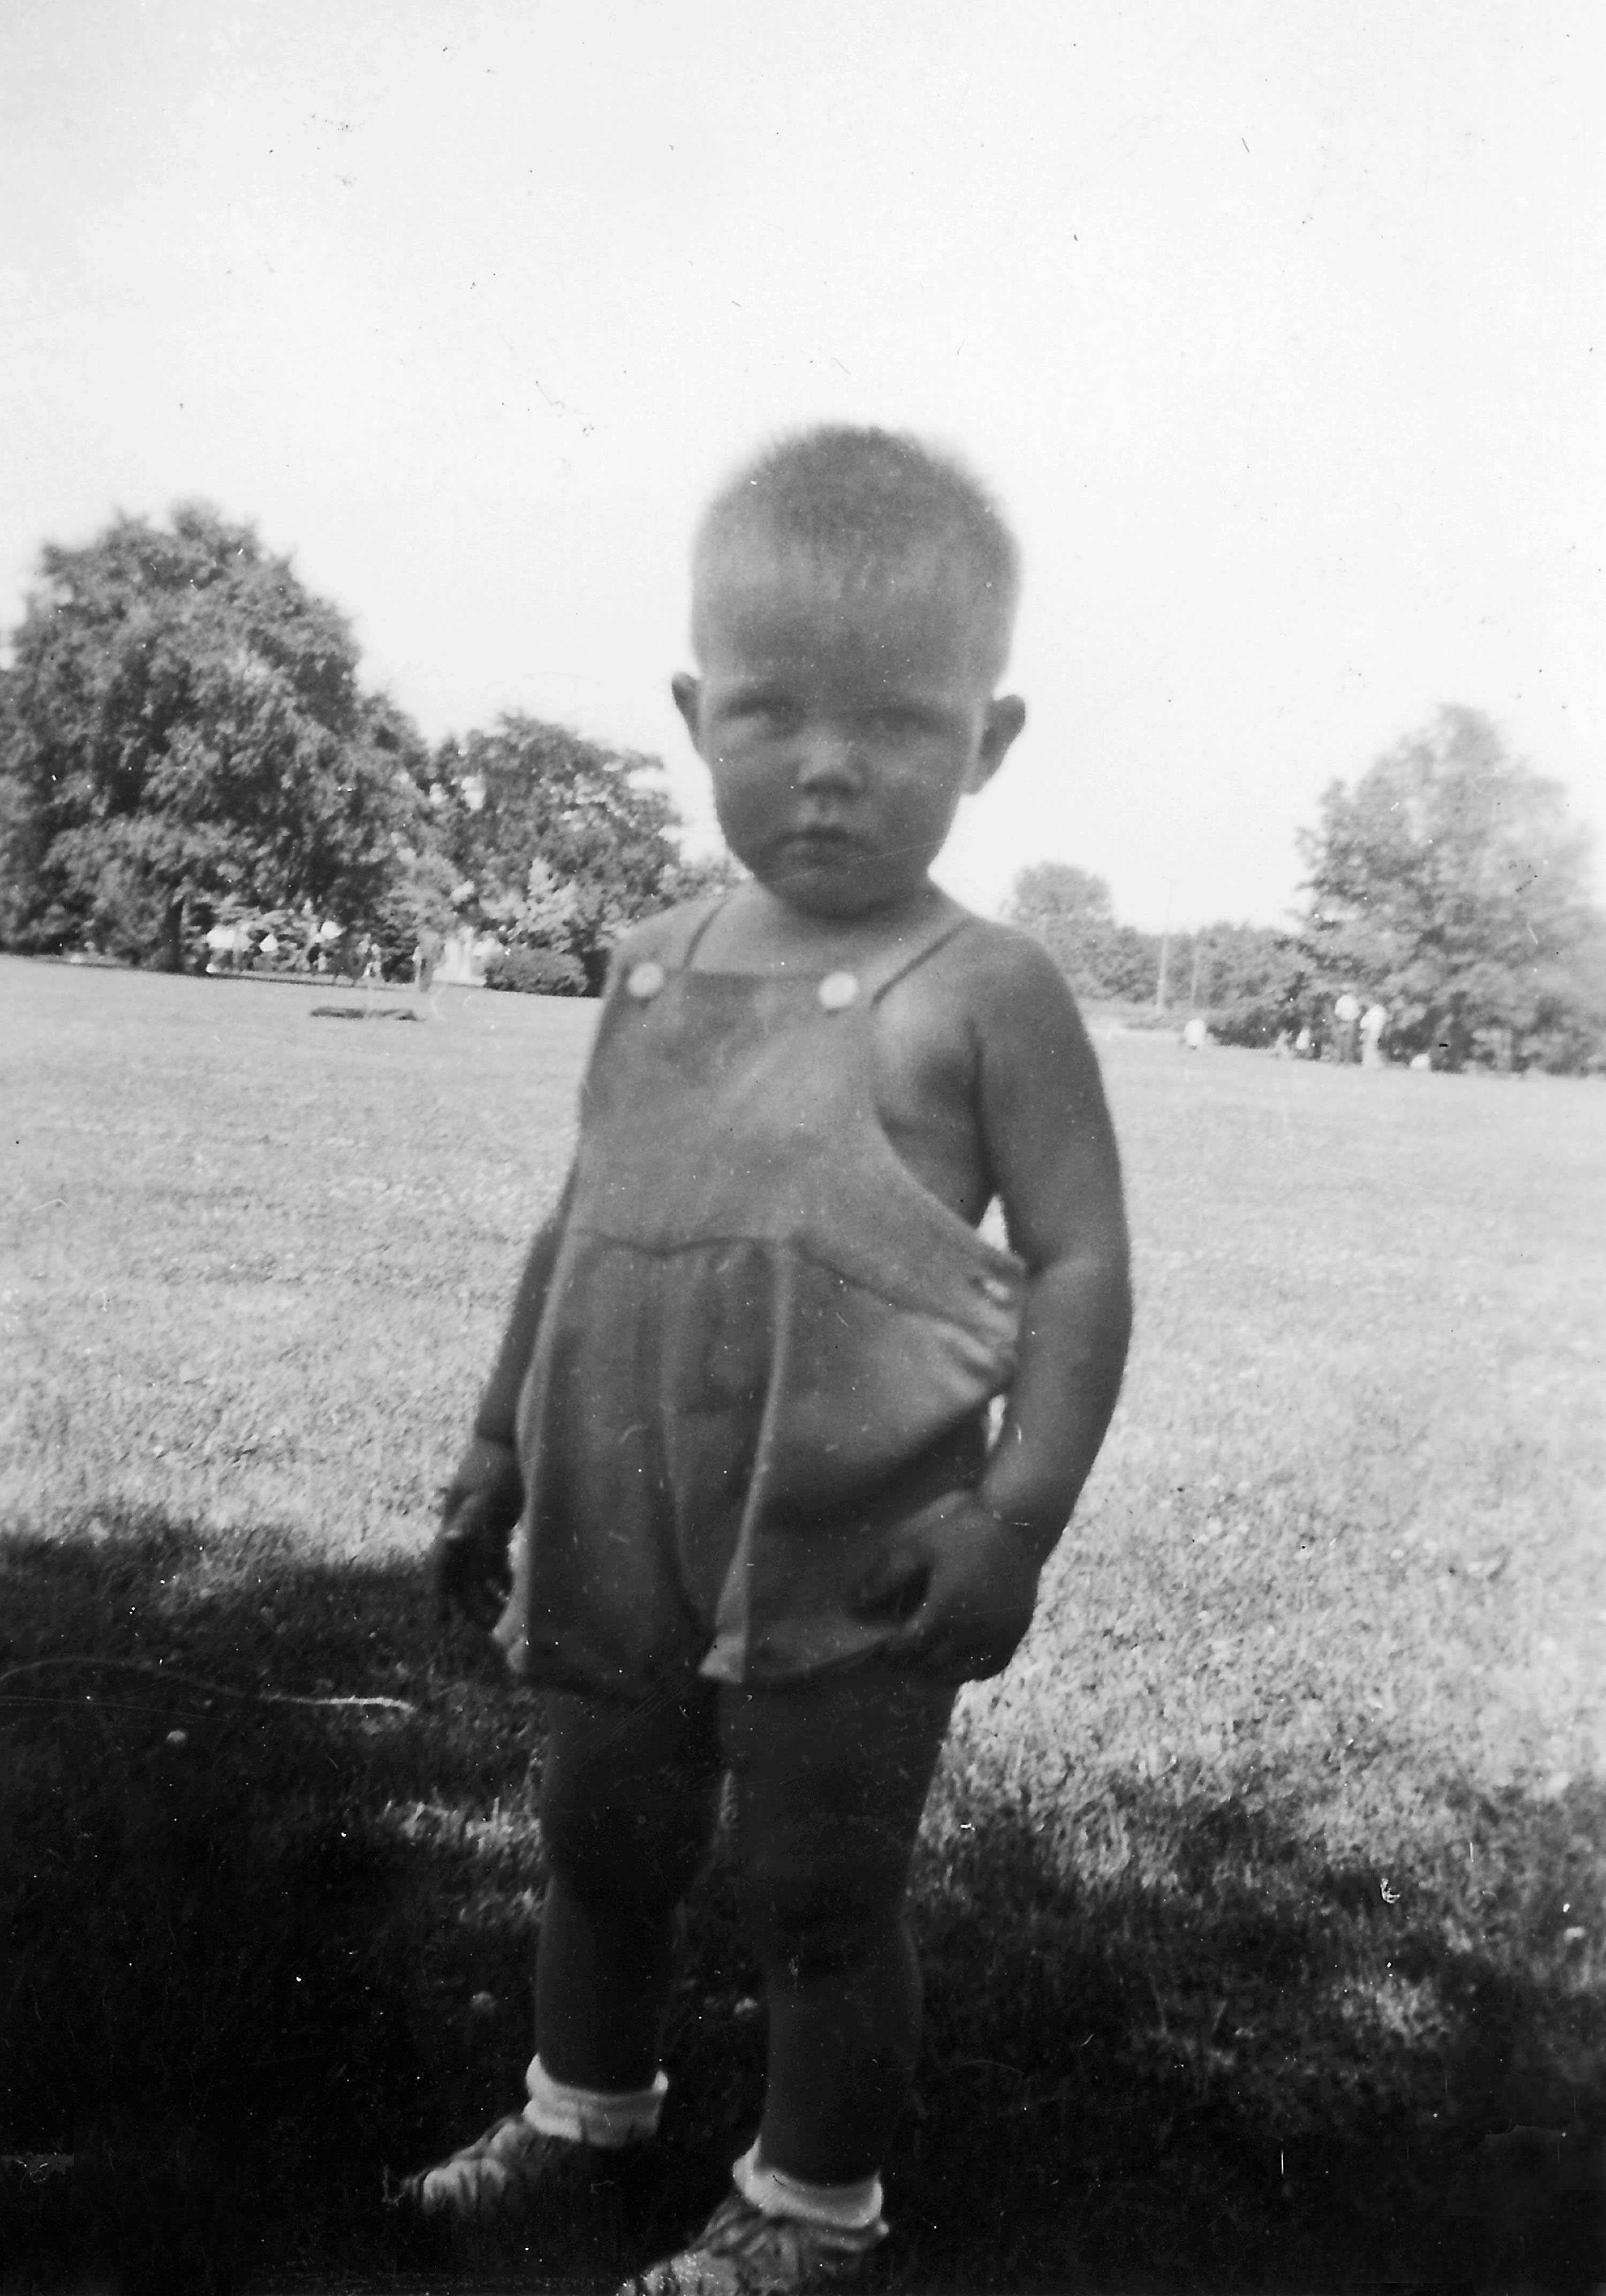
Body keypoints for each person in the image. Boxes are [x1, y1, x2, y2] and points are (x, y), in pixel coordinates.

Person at [405, 426, 1133, 2293]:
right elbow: (582, 1224)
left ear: (989, 739)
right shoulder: (650, 960)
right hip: (621, 1503)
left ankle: (814, 2212)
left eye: (896, 721)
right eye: (773, 710)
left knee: (820, 1889)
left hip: (849, 1536)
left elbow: (1079, 1263)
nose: (829, 763)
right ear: (694, 712)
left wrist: (1016, 1519)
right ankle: (583, 2112)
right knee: (600, 1838)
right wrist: (496, 1448)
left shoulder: (984, 988)